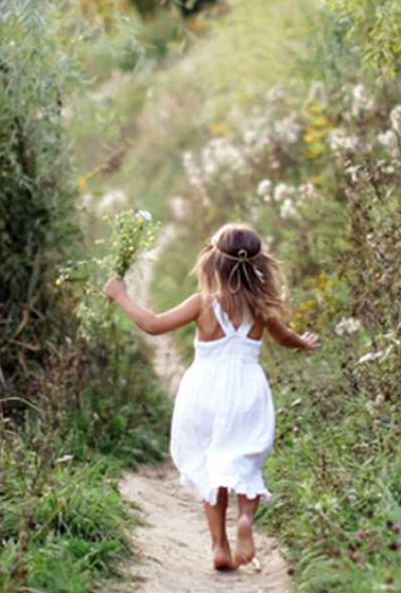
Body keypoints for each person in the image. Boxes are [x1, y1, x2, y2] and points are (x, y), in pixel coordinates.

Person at [104, 223, 319, 571]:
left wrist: (120, 295)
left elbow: (153, 324)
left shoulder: (202, 304)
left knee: (210, 463)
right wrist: (304, 343)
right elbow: (285, 337)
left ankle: (219, 546)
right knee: (245, 459)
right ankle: (246, 518)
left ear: (212, 263)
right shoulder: (262, 309)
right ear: (260, 267)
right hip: (247, 390)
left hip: (203, 391)